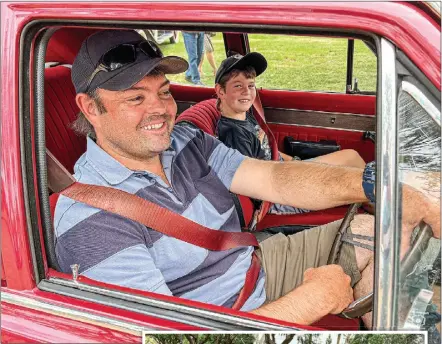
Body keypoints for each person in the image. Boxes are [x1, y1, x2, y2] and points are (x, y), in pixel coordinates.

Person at [55, 29, 440, 328]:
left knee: (380, 229)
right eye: (135, 99)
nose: (160, 109)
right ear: (90, 107)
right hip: (221, 314)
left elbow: (274, 179)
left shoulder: (187, 142)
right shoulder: (88, 222)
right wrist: (314, 300)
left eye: (165, 91)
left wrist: (376, 185)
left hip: (254, 264)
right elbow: (169, 332)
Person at [214, 52, 366, 215]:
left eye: (251, 85)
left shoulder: (246, 117)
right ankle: (380, 211)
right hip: (279, 193)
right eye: (238, 86)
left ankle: (377, 205)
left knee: (351, 157)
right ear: (221, 91)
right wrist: (297, 171)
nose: (247, 92)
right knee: (354, 183)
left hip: (284, 171)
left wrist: (295, 161)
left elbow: (269, 150)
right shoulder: (233, 134)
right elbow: (253, 186)